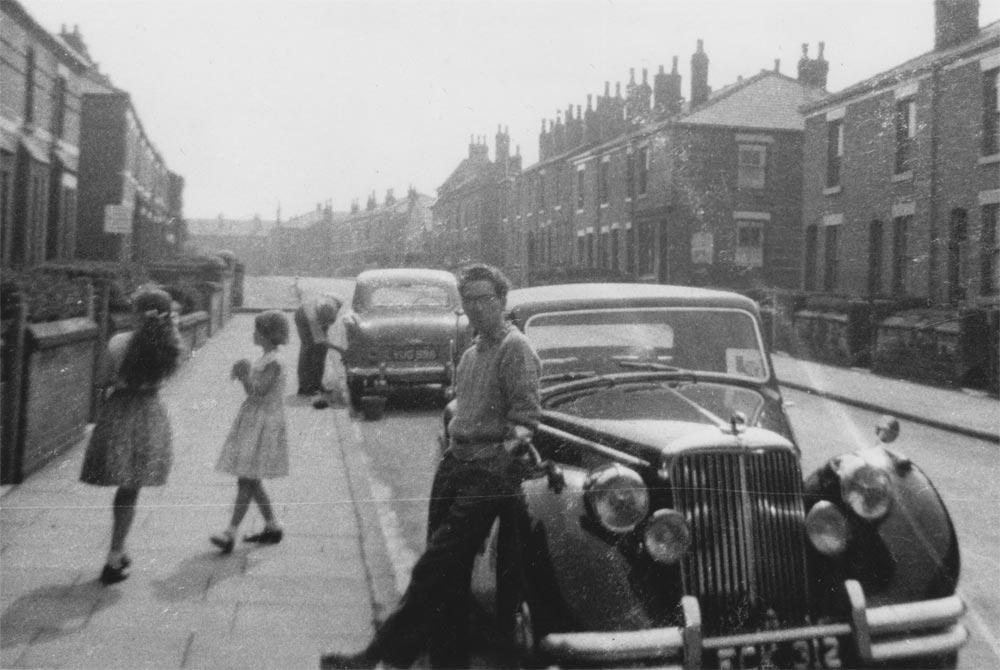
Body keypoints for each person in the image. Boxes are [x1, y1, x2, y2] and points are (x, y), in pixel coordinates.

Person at [320, 264, 541, 670]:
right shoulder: (473, 352)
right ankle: (441, 660)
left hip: (488, 472)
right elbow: (464, 403)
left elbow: (525, 422)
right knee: (448, 576)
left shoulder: (515, 348)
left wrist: (496, 463)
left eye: (484, 299)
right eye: (468, 299)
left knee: (433, 565)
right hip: (455, 464)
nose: (476, 308)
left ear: (502, 302)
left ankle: (375, 655)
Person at [80, 287, 182, 585]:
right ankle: (116, 551)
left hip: (120, 411)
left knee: (123, 487)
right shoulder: (171, 344)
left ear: (138, 313)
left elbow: (100, 380)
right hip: (150, 414)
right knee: (131, 487)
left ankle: (115, 553)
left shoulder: (119, 342)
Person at [210, 310, 291, 554]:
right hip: (255, 420)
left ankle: (230, 533)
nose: (253, 334)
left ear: (267, 335)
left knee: (247, 478)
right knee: (250, 478)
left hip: (262, 423)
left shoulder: (274, 361)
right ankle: (273, 526)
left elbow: (258, 392)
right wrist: (243, 373)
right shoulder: (266, 357)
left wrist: (245, 375)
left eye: (257, 330)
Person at [294, 292, 344, 396]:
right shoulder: (312, 318)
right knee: (308, 350)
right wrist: (339, 349)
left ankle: (317, 384)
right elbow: (320, 339)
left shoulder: (333, 305)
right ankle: (304, 388)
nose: (325, 325)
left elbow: (324, 335)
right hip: (303, 315)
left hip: (320, 310)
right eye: (323, 322)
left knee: (321, 350)